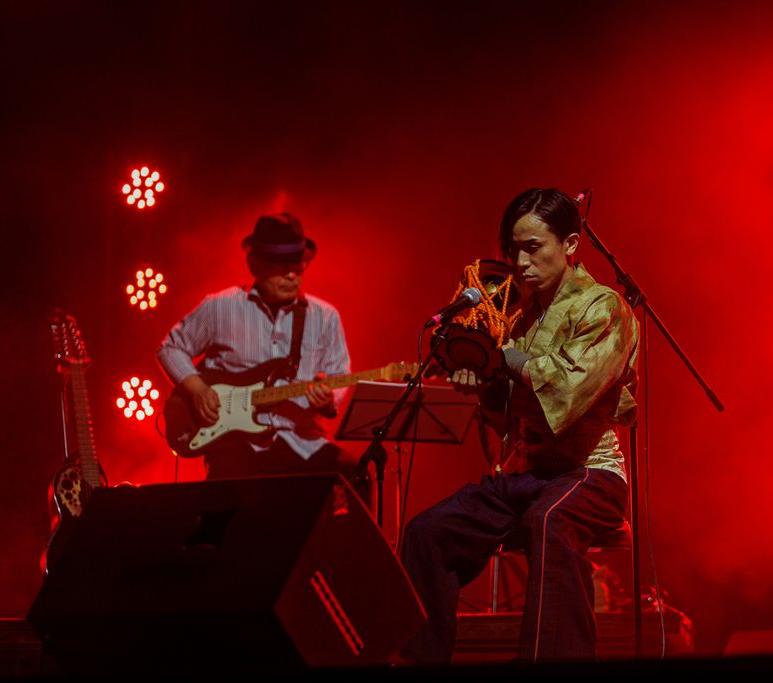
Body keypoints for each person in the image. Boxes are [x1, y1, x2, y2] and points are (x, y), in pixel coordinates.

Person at [398, 188, 639, 663]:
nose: (521, 262)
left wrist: (503, 357)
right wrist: (483, 382)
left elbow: (568, 392)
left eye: (534, 247)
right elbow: (509, 414)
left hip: (591, 473)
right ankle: (418, 661)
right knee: (428, 532)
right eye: (514, 250)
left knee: (548, 521)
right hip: (531, 475)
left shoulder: (604, 307)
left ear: (570, 244)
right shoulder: (520, 316)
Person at [156, 212, 371, 504]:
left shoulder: (325, 316)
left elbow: (337, 374)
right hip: (235, 441)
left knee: (356, 475)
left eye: (297, 264)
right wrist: (196, 389)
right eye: (281, 266)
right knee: (232, 500)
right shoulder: (220, 306)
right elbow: (171, 348)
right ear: (254, 265)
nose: (292, 274)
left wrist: (328, 396)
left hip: (300, 439)